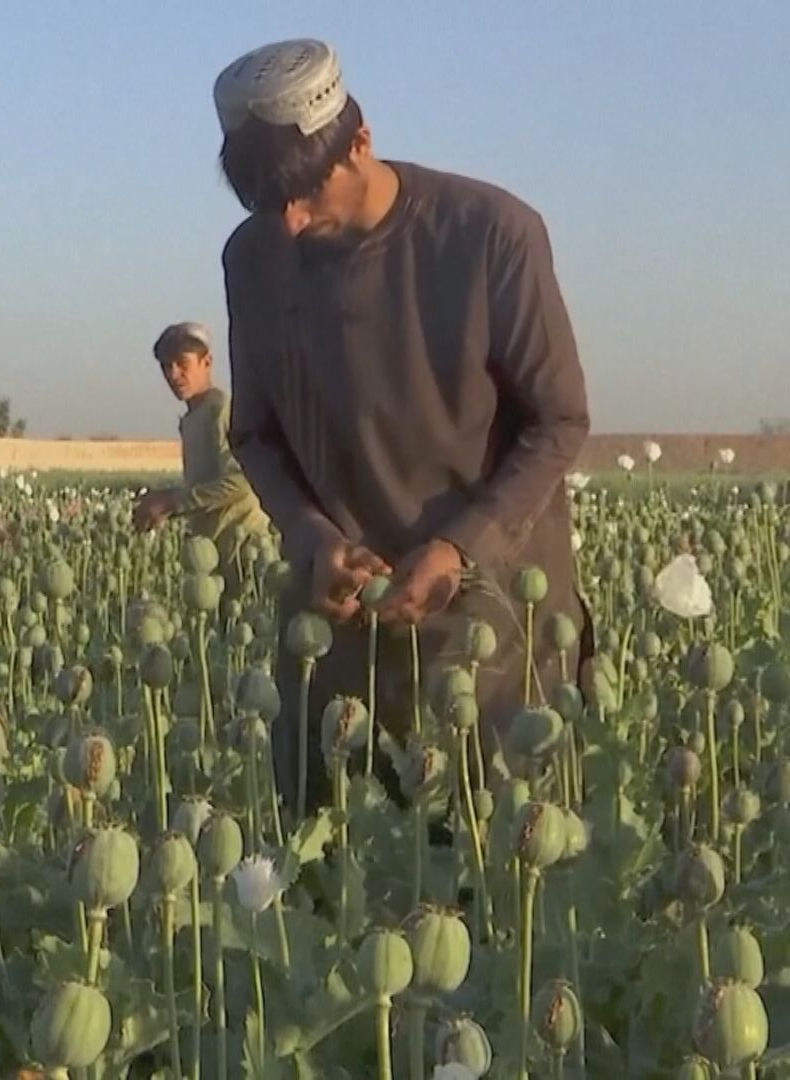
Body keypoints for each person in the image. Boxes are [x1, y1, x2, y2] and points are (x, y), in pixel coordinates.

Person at [211, 40, 592, 814]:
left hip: (489, 613)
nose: (288, 221)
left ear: (361, 142)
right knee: (328, 880)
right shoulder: (252, 259)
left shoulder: (491, 234)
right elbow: (253, 432)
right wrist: (311, 536)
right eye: (262, 200)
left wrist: (460, 548)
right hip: (336, 618)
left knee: (484, 877)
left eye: (305, 190)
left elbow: (559, 420)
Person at [133, 321, 270, 589]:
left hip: (242, 556)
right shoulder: (193, 417)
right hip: (211, 561)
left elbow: (241, 481)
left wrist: (172, 502)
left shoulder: (221, 410)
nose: (174, 374)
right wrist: (164, 502)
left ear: (206, 362)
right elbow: (206, 485)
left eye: (182, 364)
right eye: (166, 366)